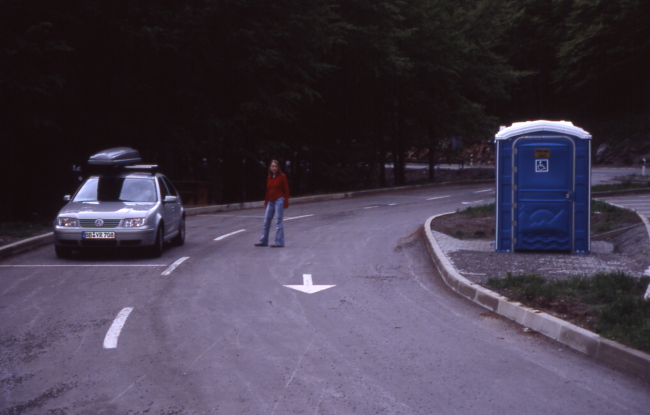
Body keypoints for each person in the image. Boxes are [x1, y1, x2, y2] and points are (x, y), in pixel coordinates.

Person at [255, 160, 290, 247]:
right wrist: (266, 202)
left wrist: (286, 202)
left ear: (278, 168)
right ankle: (263, 241)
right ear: (270, 168)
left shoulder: (282, 176)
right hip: (270, 201)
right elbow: (268, 191)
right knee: (266, 221)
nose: (274, 168)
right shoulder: (269, 177)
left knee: (278, 221)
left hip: (279, 200)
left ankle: (279, 242)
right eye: (272, 166)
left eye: (275, 166)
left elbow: (286, 190)